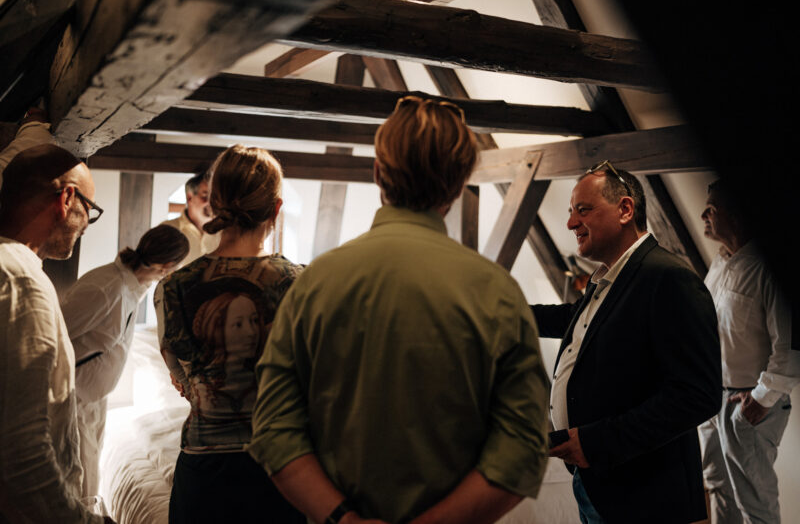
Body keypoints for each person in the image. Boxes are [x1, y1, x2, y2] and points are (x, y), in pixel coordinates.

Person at [249, 96, 550, 524]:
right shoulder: (496, 292)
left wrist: (343, 519)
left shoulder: (314, 283)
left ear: (377, 172)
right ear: (460, 181)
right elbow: (522, 447)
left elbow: (275, 430)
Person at [531, 161, 721, 523]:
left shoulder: (669, 279)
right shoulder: (610, 278)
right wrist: (498, 312)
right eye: (571, 212)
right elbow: (574, 322)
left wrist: (596, 443)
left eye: (583, 211)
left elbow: (698, 394)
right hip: (599, 482)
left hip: (645, 495)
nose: (571, 223)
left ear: (625, 210)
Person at [155, 144, 305, 524]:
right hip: (282, 467)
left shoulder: (172, 287)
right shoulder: (303, 284)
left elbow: (183, 379)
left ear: (215, 203)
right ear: (275, 209)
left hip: (205, 471)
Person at [0, 144, 111, 523]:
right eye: (89, 211)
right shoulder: (21, 280)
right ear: (67, 198)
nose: (85, 224)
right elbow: (21, 452)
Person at [60, 224, 189, 498]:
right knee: (77, 482)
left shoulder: (133, 285)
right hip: (72, 399)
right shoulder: (106, 288)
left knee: (88, 478)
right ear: (168, 266)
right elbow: (55, 335)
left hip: (93, 399)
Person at [698, 179, 798, 524]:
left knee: (754, 502)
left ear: (737, 215)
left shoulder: (770, 268)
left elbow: (789, 345)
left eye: (712, 209)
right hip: (713, 399)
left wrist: (762, 397)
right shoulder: (722, 262)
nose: (703, 215)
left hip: (749, 405)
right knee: (718, 490)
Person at [161, 170, 221, 267]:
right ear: (189, 197)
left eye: (215, 197)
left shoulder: (225, 233)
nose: (212, 202)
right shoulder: (168, 229)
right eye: (205, 196)